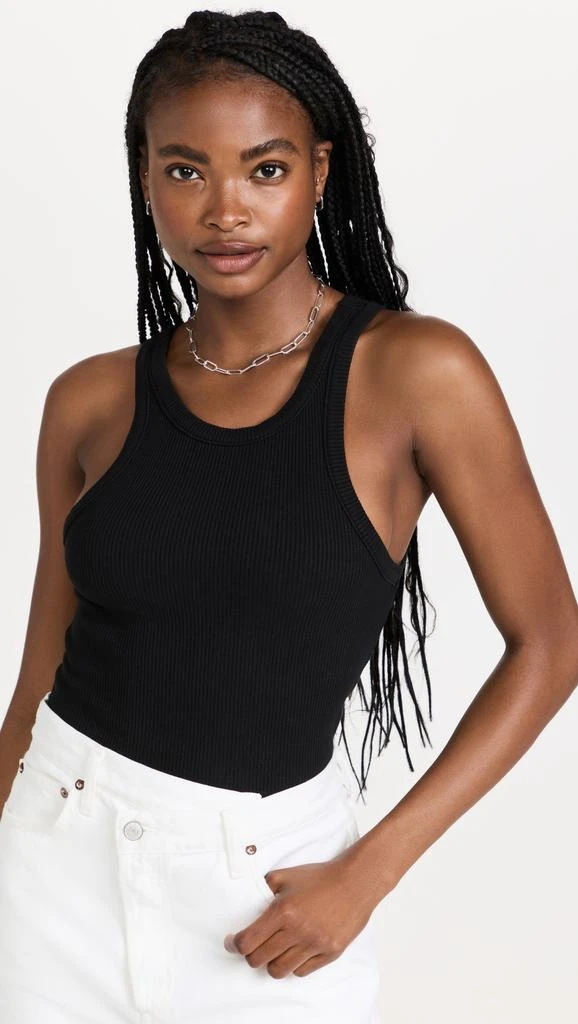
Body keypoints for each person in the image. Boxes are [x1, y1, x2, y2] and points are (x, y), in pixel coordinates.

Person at [1, 9, 577, 1024]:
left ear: (318, 172)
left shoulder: (416, 373)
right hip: (50, 869)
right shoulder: (88, 401)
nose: (224, 210)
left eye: (263, 169)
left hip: (267, 896)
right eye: (185, 170)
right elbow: (40, 672)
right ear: (145, 179)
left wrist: (366, 874)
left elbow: (551, 643)